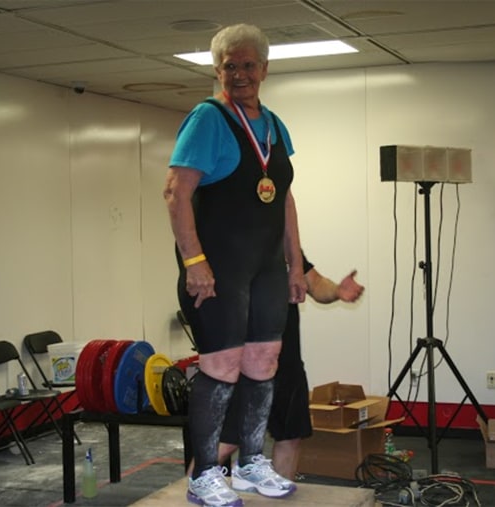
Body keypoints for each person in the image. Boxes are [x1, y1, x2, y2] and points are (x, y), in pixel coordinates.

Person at [163, 23, 306, 507]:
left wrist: (295, 265)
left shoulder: (274, 124)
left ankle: (249, 463)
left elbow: (283, 198)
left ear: (264, 69)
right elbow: (175, 193)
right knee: (221, 368)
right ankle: (204, 475)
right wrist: (193, 261)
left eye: (248, 65)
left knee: (263, 363)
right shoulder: (207, 119)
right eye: (230, 66)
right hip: (218, 268)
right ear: (217, 70)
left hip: (266, 267)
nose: (240, 74)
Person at [219, 253, 364, 479]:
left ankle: (280, 498)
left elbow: (315, 283)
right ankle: (183, 497)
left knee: (291, 434)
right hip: (244, 358)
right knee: (227, 441)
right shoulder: (237, 238)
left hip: (286, 358)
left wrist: (337, 291)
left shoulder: (286, 245)